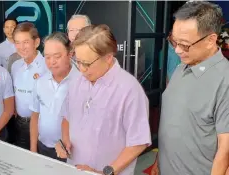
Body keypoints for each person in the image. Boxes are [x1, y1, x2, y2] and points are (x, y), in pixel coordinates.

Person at [55, 24, 151, 175]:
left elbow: (138, 141)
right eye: (78, 61)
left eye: (87, 63)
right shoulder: (77, 82)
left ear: (108, 58)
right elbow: (67, 118)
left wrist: (106, 172)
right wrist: (64, 140)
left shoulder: (130, 90)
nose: (81, 69)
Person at [152, 2, 229, 175]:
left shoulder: (225, 81)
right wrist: (159, 160)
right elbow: (173, 122)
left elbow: (225, 151)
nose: (178, 50)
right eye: (174, 41)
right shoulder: (182, 67)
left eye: (185, 44)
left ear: (210, 40)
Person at [29, 32, 79, 162]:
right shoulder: (40, 81)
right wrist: (33, 149)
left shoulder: (82, 82)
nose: (52, 62)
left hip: (71, 152)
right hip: (43, 147)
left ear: (70, 54)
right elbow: (35, 116)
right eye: (47, 57)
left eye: (57, 56)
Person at [11, 22, 48, 149]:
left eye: (26, 42)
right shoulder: (15, 66)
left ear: (36, 42)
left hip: (41, 125)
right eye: (17, 42)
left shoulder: (47, 66)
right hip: (20, 123)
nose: (21, 47)